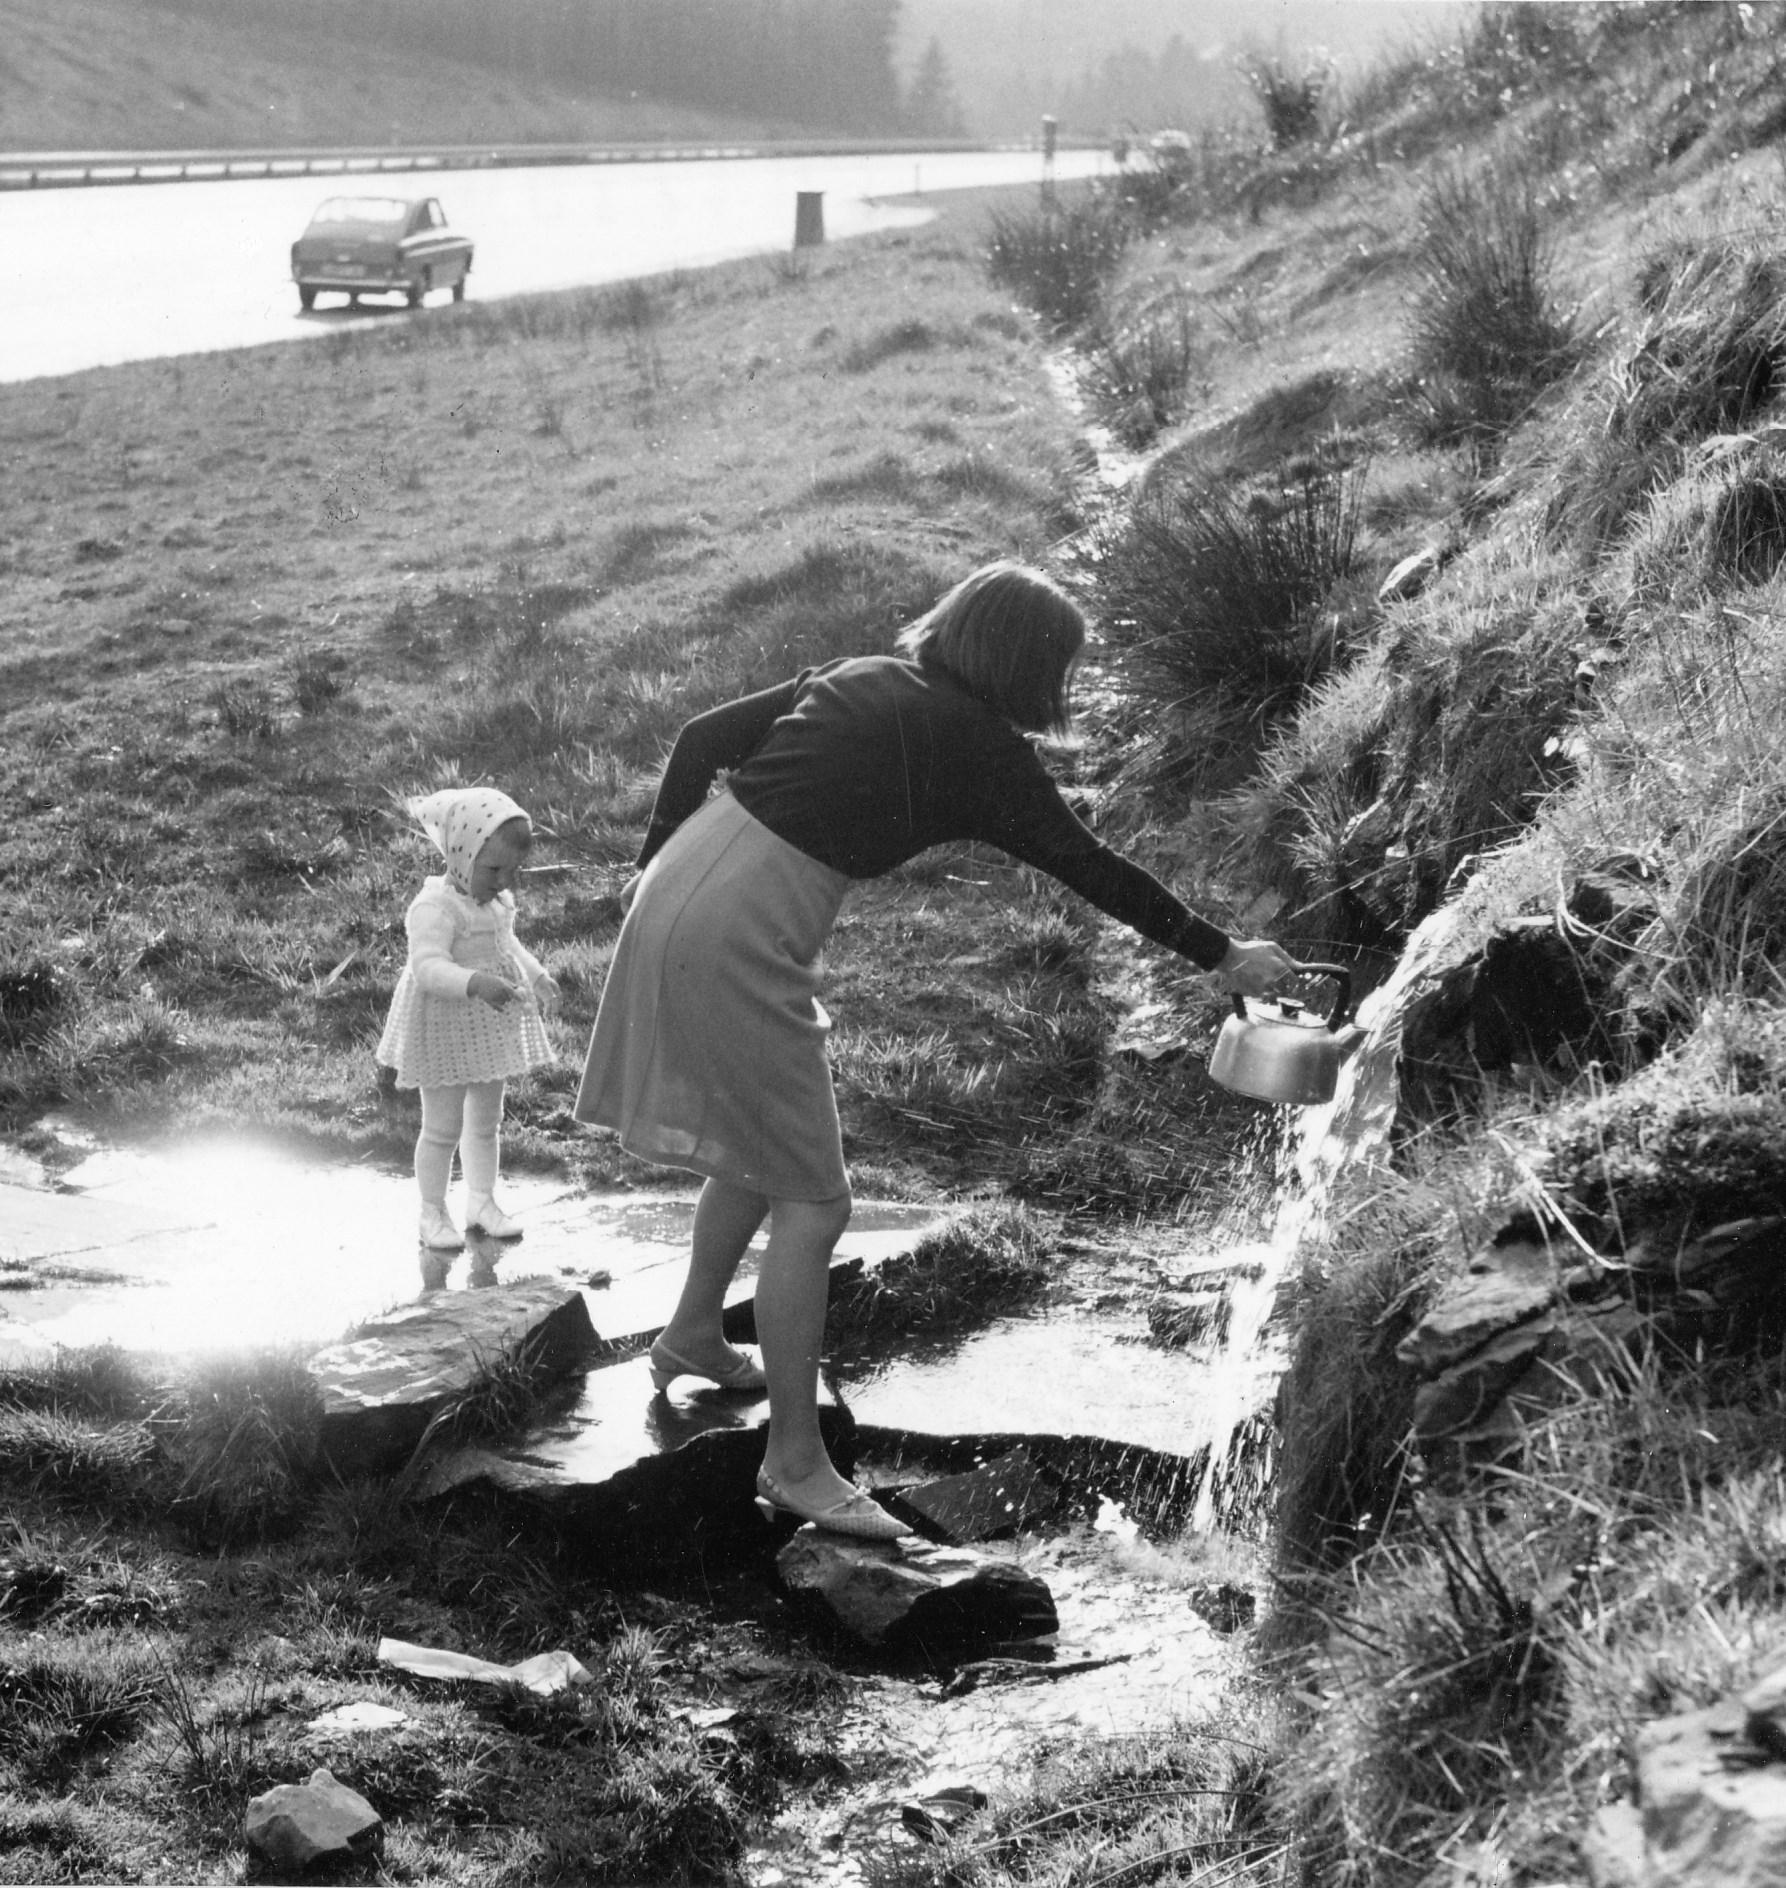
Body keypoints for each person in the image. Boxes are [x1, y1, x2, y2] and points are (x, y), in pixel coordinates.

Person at [574, 561, 1300, 1540]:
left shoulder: (863, 674)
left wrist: (649, 862)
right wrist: (1221, 953)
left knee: (763, 1148)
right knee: (815, 1201)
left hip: (684, 882)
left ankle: (695, 1332)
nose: (1065, 686)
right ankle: (795, 1463)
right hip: (737, 932)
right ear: (1028, 664)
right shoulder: (980, 749)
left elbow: (702, 737)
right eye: (1062, 667)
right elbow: (1087, 865)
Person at [377, 786, 560, 1251]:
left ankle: (481, 1200)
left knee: (485, 1122)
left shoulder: (496, 904)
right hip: (442, 1027)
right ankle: (432, 1210)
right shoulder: (435, 907)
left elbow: (508, 945)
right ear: (460, 856)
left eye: (513, 871)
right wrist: (475, 982)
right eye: (493, 869)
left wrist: (537, 976)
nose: (503, 881)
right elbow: (428, 967)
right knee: (442, 1127)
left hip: (488, 1028)